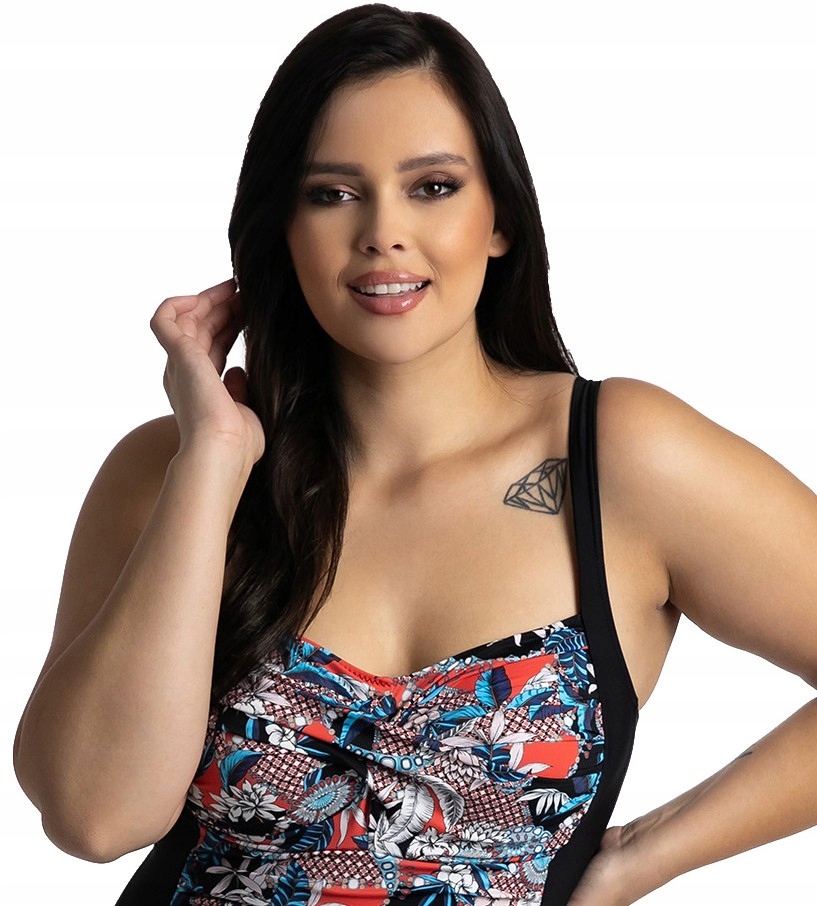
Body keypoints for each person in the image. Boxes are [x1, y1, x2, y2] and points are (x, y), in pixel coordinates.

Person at [12, 4, 817, 904]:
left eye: (432, 186)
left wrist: (648, 854)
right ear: (282, 229)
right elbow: (94, 819)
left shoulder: (621, 457)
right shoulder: (173, 471)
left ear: (499, 218)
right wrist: (214, 459)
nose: (382, 233)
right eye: (331, 193)